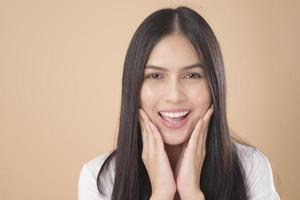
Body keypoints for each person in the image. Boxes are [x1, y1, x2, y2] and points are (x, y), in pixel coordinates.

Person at [78, 6, 280, 200]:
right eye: (155, 75)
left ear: (214, 85)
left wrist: (192, 194)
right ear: (134, 87)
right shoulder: (99, 179)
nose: (174, 96)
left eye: (192, 75)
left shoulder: (250, 167)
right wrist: (161, 194)